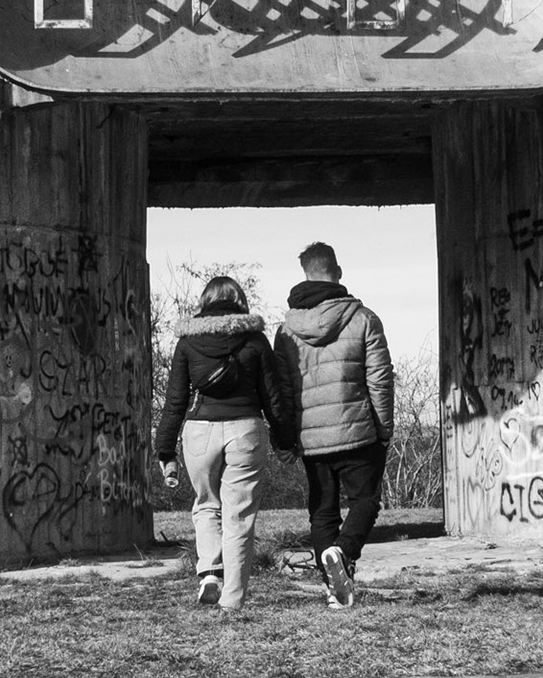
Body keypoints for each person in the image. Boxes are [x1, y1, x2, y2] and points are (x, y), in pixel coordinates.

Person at [155, 275, 297, 611]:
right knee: (239, 515)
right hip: (245, 429)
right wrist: (284, 440)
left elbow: (175, 401)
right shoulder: (255, 340)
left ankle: (210, 574)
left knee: (206, 505)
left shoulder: (188, 342)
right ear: (239, 302)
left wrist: (165, 449)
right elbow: (273, 397)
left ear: (205, 302)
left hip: (199, 432)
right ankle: (232, 598)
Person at [273, 242, 393, 609]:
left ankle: (334, 589)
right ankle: (343, 552)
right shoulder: (364, 319)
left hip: (312, 437)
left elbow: (283, 391)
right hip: (358, 431)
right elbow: (379, 380)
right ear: (337, 272)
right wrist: (384, 428)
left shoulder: (287, 330)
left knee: (322, 511)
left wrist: (285, 438)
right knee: (366, 500)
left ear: (306, 274)